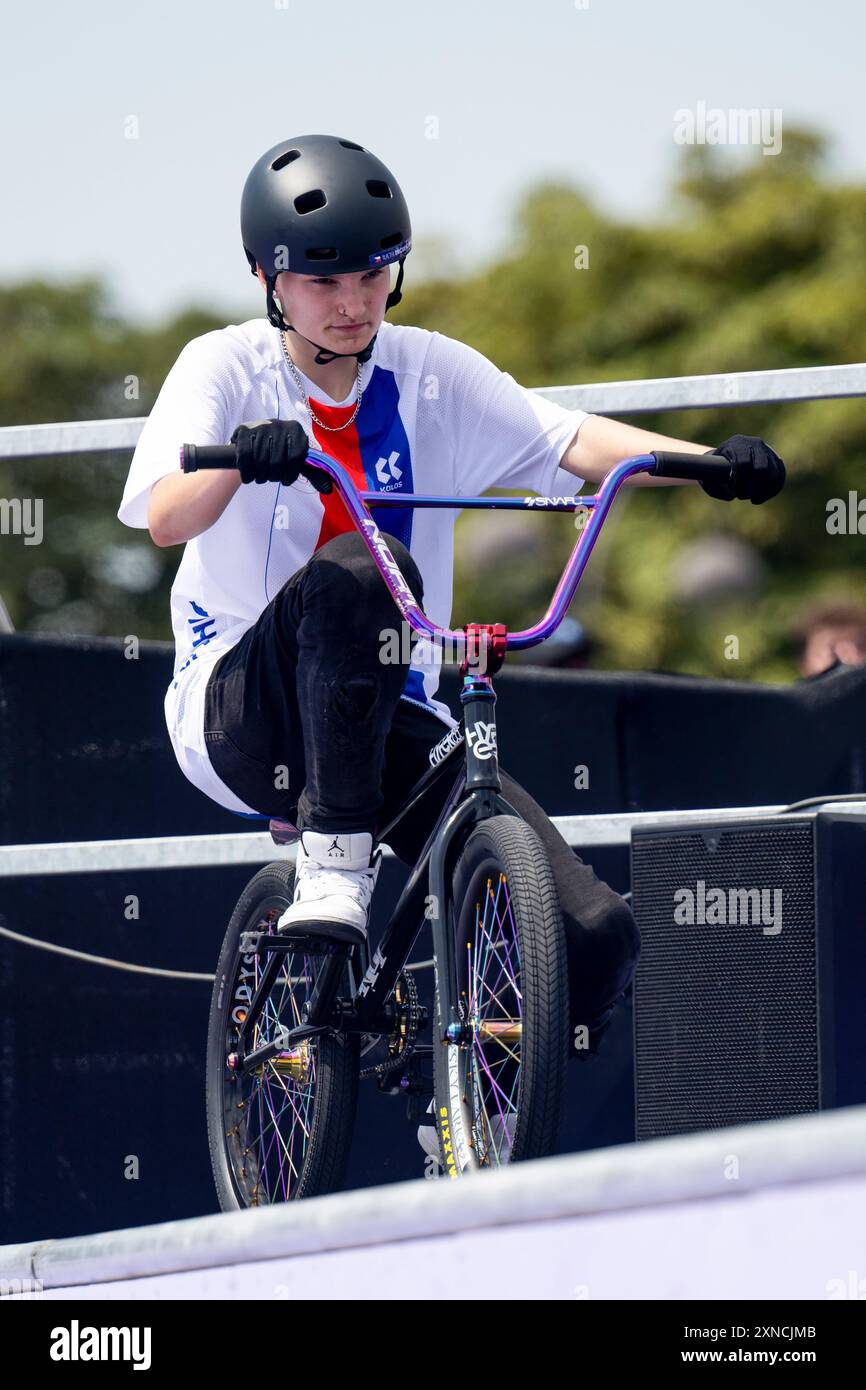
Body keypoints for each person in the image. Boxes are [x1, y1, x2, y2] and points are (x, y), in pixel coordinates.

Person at [117, 133, 785, 1074]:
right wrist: (239, 462)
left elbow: (575, 441)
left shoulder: (430, 371)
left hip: (385, 707)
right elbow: (165, 519)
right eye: (323, 282)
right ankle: (334, 863)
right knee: (365, 569)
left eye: (374, 276)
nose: (353, 305)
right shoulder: (222, 369)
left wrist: (707, 464)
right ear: (268, 279)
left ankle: (468, 1097)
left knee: (592, 936)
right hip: (242, 709)